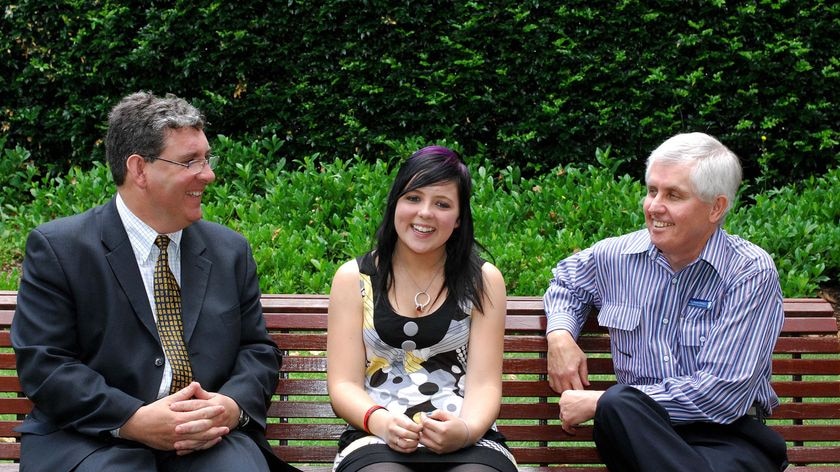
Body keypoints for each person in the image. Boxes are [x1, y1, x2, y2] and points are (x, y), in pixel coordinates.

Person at [11, 91, 298, 472]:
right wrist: (134, 419)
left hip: (207, 439)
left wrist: (230, 406)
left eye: (206, 159)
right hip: (94, 438)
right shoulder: (61, 249)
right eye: (189, 162)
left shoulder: (229, 251)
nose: (208, 174)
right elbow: (45, 364)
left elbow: (256, 349)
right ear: (139, 169)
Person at [543, 132, 789, 471]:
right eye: (651, 190)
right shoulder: (616, 257)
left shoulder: (748, 272)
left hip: (726, 437)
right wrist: (559, 336)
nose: (654, 206)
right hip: (637, 431)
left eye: (673, 195)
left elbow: (722, 394)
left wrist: (602, 403)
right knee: (622, 407)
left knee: (618, 402)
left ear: (716, 207)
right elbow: (566, 282)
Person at [326, 146, 518, 472]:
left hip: (466, 439)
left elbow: (485, 384)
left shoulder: (483, 281)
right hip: (376, 438)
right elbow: (343, 384)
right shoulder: (354, 279)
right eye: (413, 198)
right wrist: (381, 422)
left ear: (458, 219)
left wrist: (467, 430)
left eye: (442, 204)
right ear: (395, 203)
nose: (425, 213)